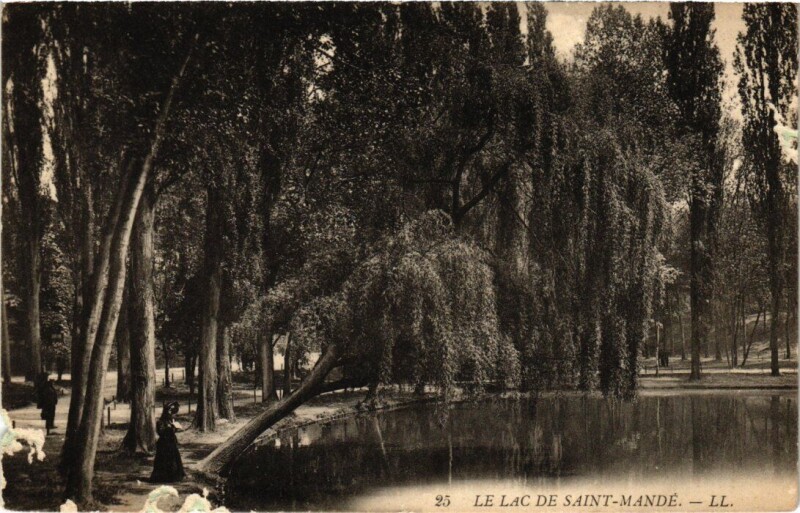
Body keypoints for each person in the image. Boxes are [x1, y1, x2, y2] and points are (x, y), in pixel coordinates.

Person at [151, 402, 185, 483]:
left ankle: (174, 476)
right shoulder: (160, 421)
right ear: (165, 412)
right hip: (164, 444)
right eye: (169, 411)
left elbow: (172, 432)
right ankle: (162, 477)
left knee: (174, 459)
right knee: (163, 460)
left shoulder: (171, 421)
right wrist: (169, 428)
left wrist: (175, 428)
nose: (171, 413)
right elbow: (161, 432)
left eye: (171, 411)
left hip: (171, 442)